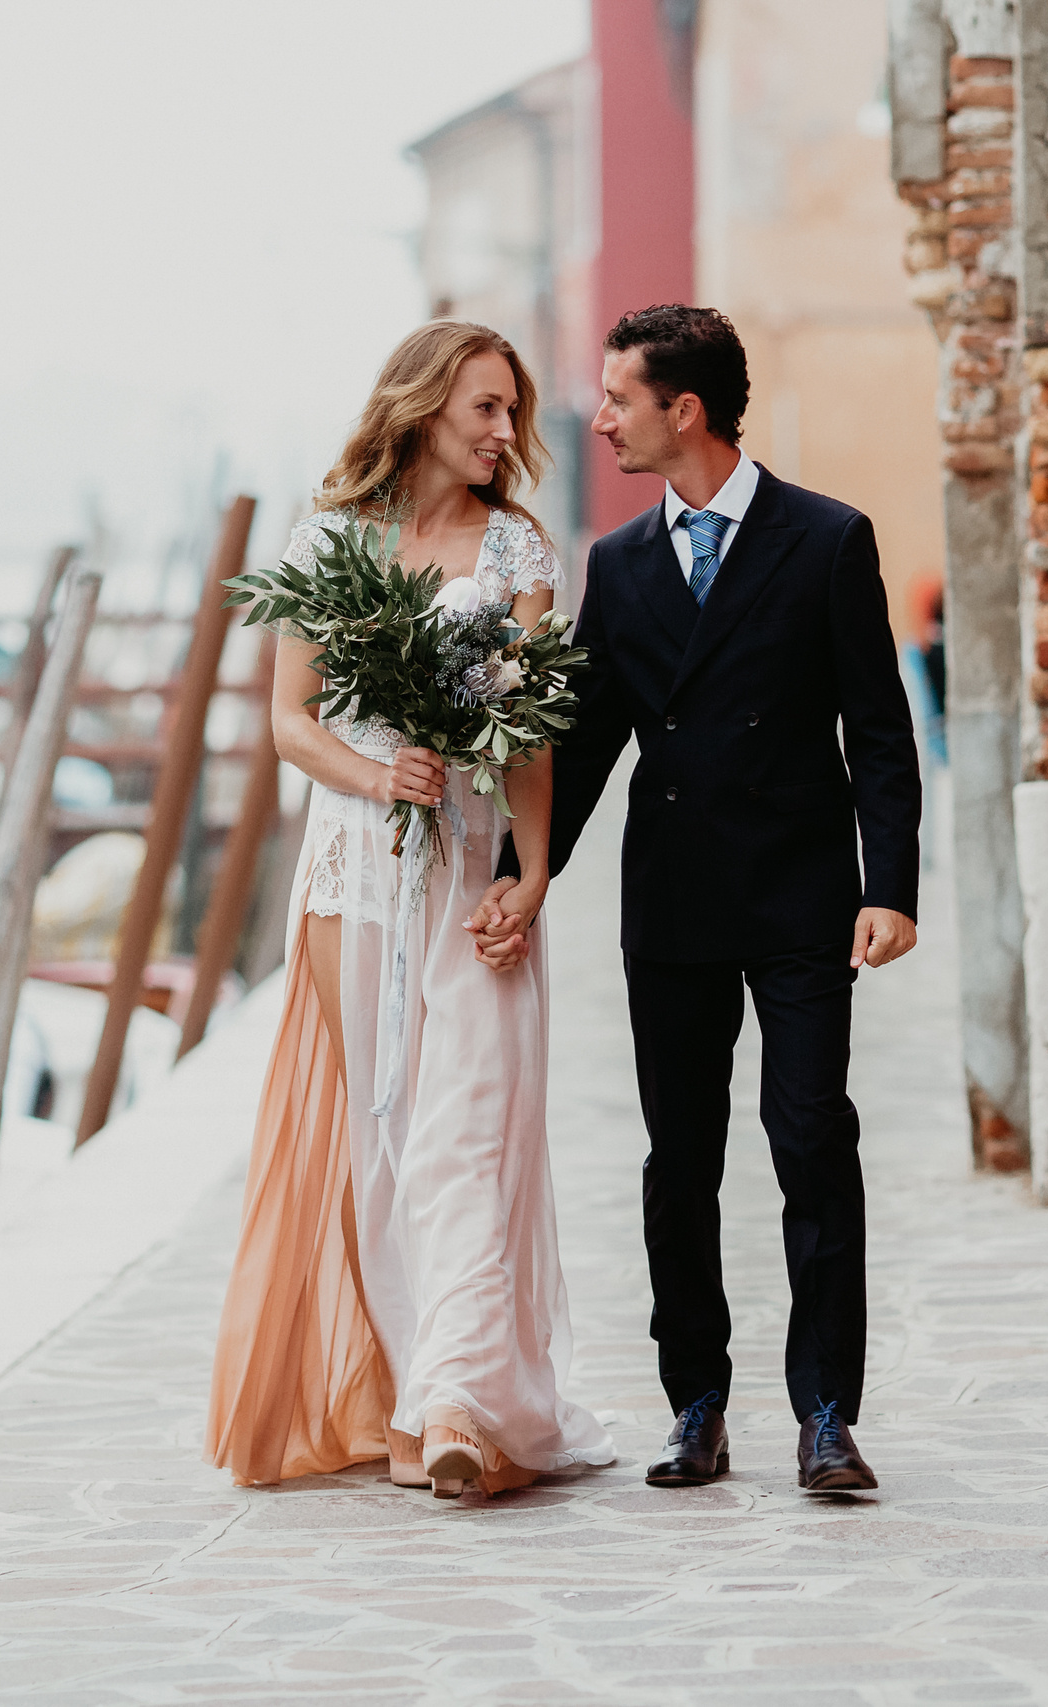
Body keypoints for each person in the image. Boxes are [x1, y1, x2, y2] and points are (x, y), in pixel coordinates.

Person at [471, 305, 923, 1493]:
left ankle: (827, 1414)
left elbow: (878, 729)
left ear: (686, 410)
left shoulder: (827, 539)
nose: (600, 416)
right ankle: (697, 1406)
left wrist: (892, 888)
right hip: (669, 900)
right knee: (681, 1161)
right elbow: (589, 739)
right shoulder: (616, 565)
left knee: (811, 1140)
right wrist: (526, 878)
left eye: (619, 398)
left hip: (801, 894)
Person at [204, 321, 615, 1499]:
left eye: (510, 413)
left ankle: (465, 1404)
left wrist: (530, 878)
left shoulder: (519, 551)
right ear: (424, 405)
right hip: (355, 871)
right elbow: (292, 721)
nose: (503, 434)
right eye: (485, 409)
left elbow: (527, 736)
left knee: (467, 1130)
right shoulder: (328, 540)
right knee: (383, 1131)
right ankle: (406, 1393)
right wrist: (378, 773)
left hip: (470, 865)